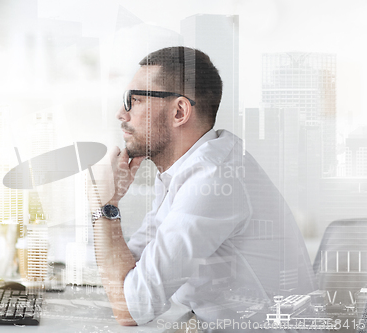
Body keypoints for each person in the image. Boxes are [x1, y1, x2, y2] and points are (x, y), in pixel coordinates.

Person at [89, 46, 316, 330]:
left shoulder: (214, 179)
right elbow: (126, 275)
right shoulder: (183, 172)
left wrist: (104, 204)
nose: (121, 114)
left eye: (133, 100)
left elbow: (130, 309)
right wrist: (109, 203)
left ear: (179, 111)